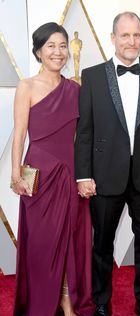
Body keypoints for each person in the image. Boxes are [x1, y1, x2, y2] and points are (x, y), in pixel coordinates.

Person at [75, 12, 140, 316]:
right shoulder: (91, 76)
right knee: (101, 246)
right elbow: (85, 131)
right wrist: (84, 176)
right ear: (113, 38)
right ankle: (102, 303)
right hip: (104, 177)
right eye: (125, 35)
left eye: (137, 35)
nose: (132, 41)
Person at [11, 22, 94, 316]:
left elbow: (83, 136)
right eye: (51, 46)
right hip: (40, 175)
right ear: (38, 51)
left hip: (69, 173)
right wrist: (15, 174)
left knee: (70, 239)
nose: (58, 53)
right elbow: (19, 133)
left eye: (62, 46)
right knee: (43, 244)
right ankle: (45, 301)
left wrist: (86, 174)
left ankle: (67, 301)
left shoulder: (75, 89)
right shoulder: (27, 86)